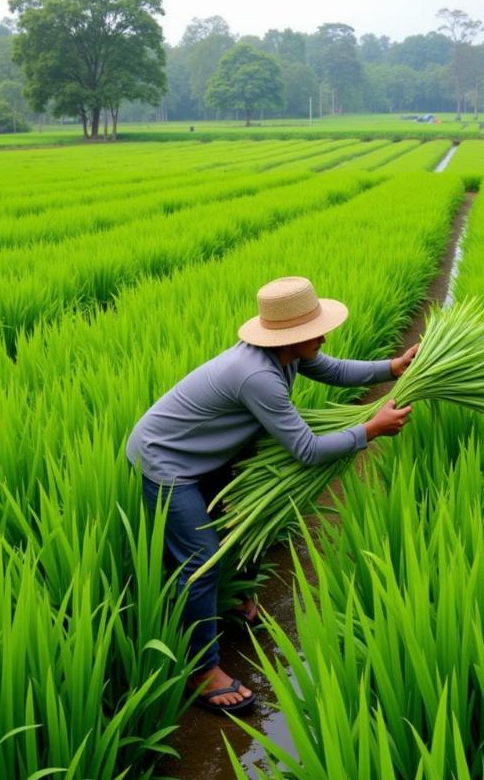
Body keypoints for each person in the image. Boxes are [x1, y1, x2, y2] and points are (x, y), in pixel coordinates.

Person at [126, 276, 416, 714]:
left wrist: (391, 368)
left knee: (245, 518)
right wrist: (370, 430)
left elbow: (335, 370)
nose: (322, 335)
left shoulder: (287, 356)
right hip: (168, 461)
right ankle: (201, 671)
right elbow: (306, 450)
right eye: (314, 329)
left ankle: (234, 597)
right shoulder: (258, 375)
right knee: (200, 559)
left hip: (207, 453)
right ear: (288, 335)